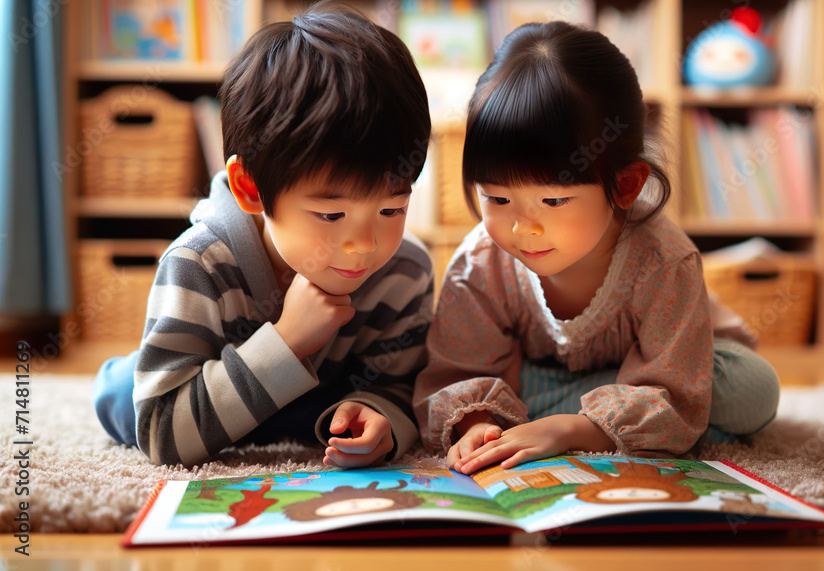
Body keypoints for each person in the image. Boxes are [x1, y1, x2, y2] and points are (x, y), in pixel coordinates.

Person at [413, 21, 780, 475]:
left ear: (625, 186)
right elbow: (456, 371)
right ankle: (593, 411)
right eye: (498, 198)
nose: (523, 228)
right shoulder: (479, 262)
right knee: (475, 392)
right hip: (551, 375)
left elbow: (677, 385)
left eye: (553, 200)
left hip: (681, 365)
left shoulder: (663, 259)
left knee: (753, 388)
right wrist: (478, 423)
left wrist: (568, 431)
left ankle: (569, 415)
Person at [92, 3, 434, 469]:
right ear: (251, 188)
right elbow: (160, 434)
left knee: (336, 401)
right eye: (331, 214)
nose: (365, 244)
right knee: (122, 393)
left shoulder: (406, 270)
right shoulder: (198, 264)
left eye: (392, 208)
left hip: (316, 404)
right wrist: (288, 340)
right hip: (204, 382)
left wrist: (381, 416)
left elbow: (402, 385)